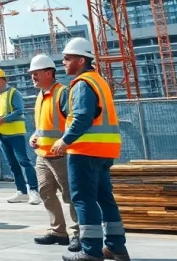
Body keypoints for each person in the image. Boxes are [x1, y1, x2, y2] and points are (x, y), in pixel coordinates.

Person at [50, 38, 128, 261]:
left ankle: (91, 251)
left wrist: (64, 141)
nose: (63, 63)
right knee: (105, 199)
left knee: (83, 199)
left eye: (67, 58)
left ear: (81, 60)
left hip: (85, 152)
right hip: (104, 152)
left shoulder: (82, 83)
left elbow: (83, 117)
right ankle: (116, 247)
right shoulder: (98, 81)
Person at [28, 54, 81, 253]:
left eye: (36, 72)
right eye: (32, 73)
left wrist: (64, 143)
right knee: (45, 192)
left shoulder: (62, 94)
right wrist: (34, 136)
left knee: (71, 196)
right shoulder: (40, 96)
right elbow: (42, 127)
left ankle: (79, 234)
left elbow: (74, 122)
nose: (32, 76)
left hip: (61, 155)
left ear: (49, 73)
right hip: (43, 155)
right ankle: (58, 232)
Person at [0, 68, 42, 204]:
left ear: (3, 79)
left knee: (24, 161)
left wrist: (3, 119)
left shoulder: (14, 93)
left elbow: (19, 111)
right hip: (0, 134)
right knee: (12, 164)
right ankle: (21, 191)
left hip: (15, 133)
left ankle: (34, 190)